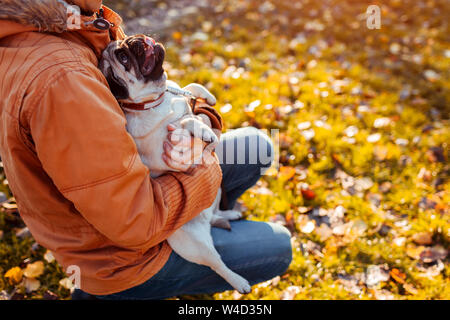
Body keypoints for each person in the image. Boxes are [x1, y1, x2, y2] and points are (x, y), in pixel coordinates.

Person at [0, 0, 292, 300]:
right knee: (280, 248)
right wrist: (203, 168)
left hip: (139, 184)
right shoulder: (64, 79)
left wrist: (202, 118)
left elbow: (149, 94)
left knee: (257, 147)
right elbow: (136, 222)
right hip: (122, 260)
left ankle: (206, 221)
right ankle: (109, 293)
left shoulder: (61, 21)